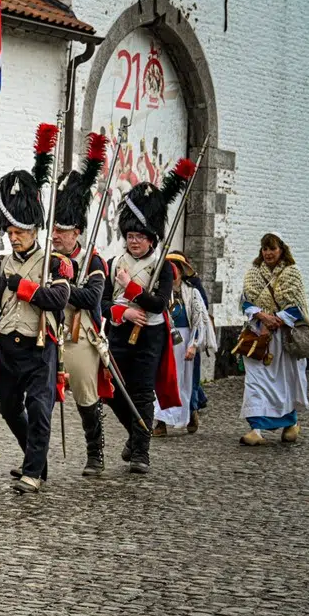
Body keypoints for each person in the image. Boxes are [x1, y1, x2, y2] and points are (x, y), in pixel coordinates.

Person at [0, 123, 71, 495]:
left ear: (34, 231)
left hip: (39, 346)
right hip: (7, 347)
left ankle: (32, 471)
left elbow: (58, 300)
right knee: (8, 408)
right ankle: (36, 458)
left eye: (20, 232)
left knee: (41, 408)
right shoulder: (0, 264)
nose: (14, 237)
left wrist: (25, 287)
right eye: (11, 231)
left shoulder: (55, 263)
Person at [103, 158, 194, 473]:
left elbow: (158, 304)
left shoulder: (163, 267)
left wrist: (131, 289)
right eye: (130, 235)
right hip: (119, 332)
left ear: (152, 238)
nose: (134, 241)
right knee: (114, 391)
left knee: (142, 393)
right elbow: (103, 304)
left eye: (140, 236)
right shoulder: (114, 264)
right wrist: (124, 311)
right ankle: (136, 434)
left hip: (150, 336)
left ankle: (141, 452)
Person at [49, 132, 110, 476]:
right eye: (54, 228)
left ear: (77, 232)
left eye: (63, 229)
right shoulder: (46, 258)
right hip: (48, 331)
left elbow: (91, 297)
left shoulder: (93, 261)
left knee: (86, 394)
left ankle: (95, 452)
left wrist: (60, 288)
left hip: (79, 333)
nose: (56, 235)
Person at [237, 233, 309, 445]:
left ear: (282, 250)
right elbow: (245, 301)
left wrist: (276, 319)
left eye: (273, 249)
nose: (268, 253)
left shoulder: (292, 273)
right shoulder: (253, 273)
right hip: (257, 337)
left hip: (284, 338)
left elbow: (298, 306)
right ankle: (256, 429)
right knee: (255, 381)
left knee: (284, 382)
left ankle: (290, 423)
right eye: (265, 249)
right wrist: (262, 316)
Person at [153, 255, 213, 435]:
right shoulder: (159, 291)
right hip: (163, 337)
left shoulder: (192, 292)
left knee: (185, 381)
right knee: (162, 379)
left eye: (175, 268)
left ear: (180, 271)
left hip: (184, 339)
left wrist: (193, 344)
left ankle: (189, 413)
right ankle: (161, 421)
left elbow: (199, 320)